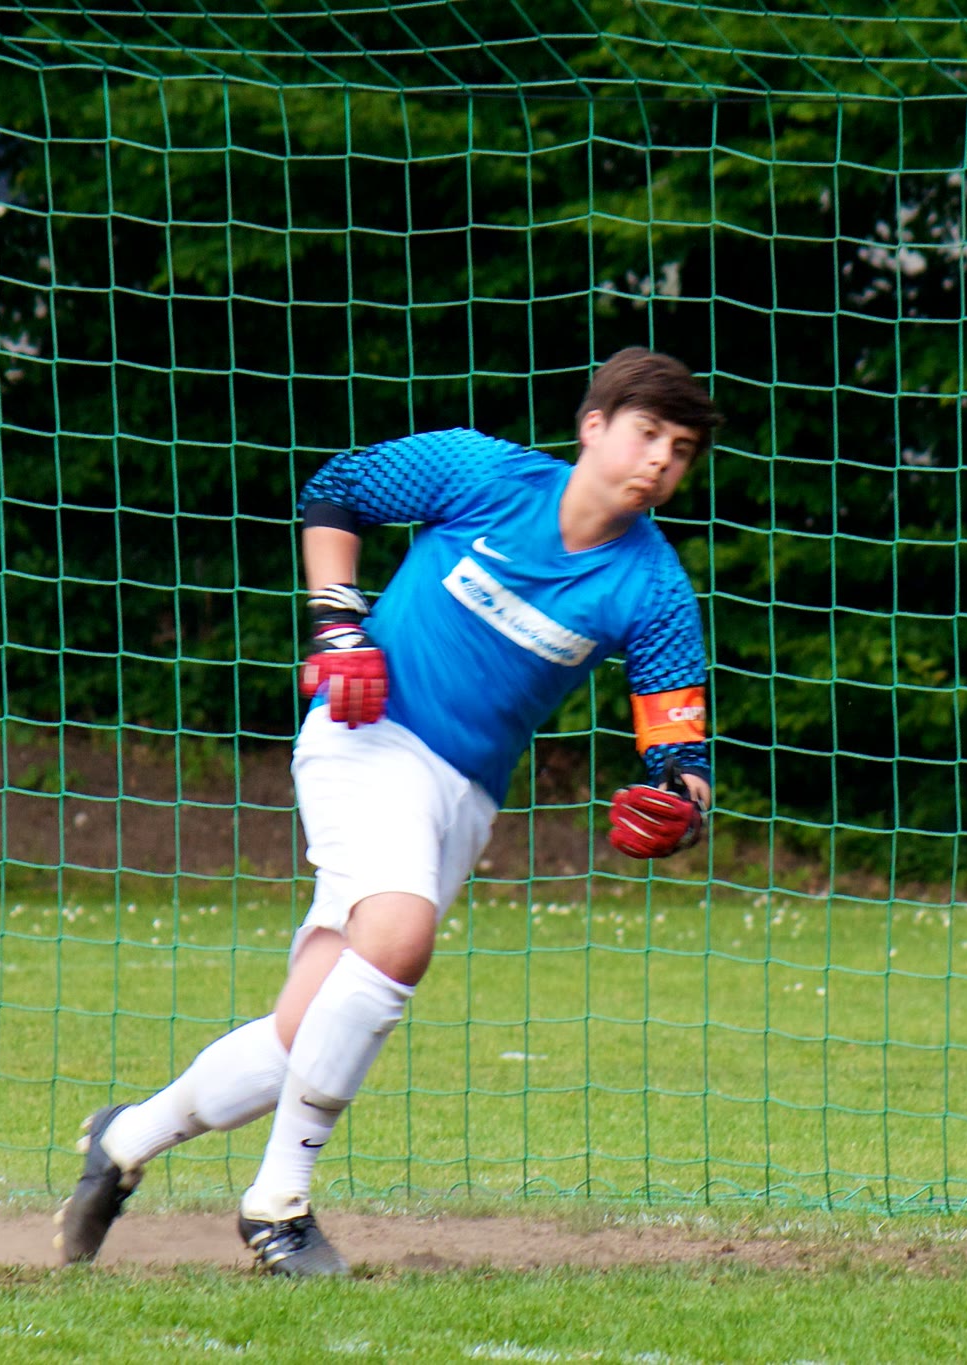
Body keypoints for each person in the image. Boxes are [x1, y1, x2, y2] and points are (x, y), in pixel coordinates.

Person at [53, 347, 722, 1276]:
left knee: (303, 1031)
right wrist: (338, 624)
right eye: (647, 433)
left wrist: (680, 811)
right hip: (365, 732)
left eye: (680, 449)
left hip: (463, 798)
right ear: (593, 426)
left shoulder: (653, 587)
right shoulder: (483, 473)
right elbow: (336, 491)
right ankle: (277, 1206)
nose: (660, 459)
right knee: (400, 937)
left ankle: (124, 1140)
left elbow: (680, 754)